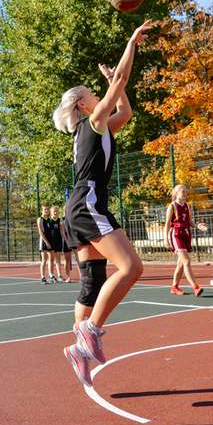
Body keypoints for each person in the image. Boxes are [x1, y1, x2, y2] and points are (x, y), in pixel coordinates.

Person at [54, 20, 152, 386]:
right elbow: (123, 79)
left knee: (92, 282)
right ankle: (90, 330)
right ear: (83, 104)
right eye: (93, 93)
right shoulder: (94, 122)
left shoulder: (98, 127)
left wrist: (115, 85)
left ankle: (79, 351)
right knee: (131, 267)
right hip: (89, 201)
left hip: (80, 203)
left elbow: (125, 112)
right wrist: (131, 43)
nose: (100, 94)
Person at [163, 185, 203, 296]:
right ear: (176, 193)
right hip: (177, 234)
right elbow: (167, 224)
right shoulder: (172, 206)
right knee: (186, 261)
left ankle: (174, 286)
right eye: (182, 191)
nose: (185, 193)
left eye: (186, 191)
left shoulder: (187, 206)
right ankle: (195, 287)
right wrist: (165, 239)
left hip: (186, 234)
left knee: (181, 264)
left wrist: (197, 225)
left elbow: (190, 221)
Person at [51, 206, 72, 282]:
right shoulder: (61, 220)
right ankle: (53, 275)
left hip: (72, 240)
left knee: (68, 260)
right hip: (61, 242)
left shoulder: (72, 218)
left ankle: (61, 275)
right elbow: (62, 232)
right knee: (61, 260)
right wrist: (66, 241)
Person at [36, 206, 55, 284]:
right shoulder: (40, 219)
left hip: (51, 240)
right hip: (44, 241)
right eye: (45, 209)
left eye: (47, 209)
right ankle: (43, 277)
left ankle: (51, 275)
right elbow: (40, 232)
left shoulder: (50, 220)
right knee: (44, 259)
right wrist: (46, 242)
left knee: (51, 259)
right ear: (42, 211)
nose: (46, 211)